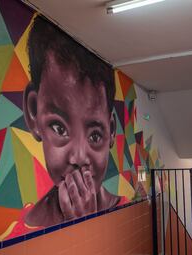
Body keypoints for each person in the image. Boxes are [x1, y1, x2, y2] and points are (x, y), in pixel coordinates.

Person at [22, 16, 128, 227]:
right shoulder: (19, 230)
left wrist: (86, 224)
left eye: (95, 135)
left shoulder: (123, 217)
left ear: (112, 131)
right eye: (59, 128)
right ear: (34, 112)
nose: (79, 157)